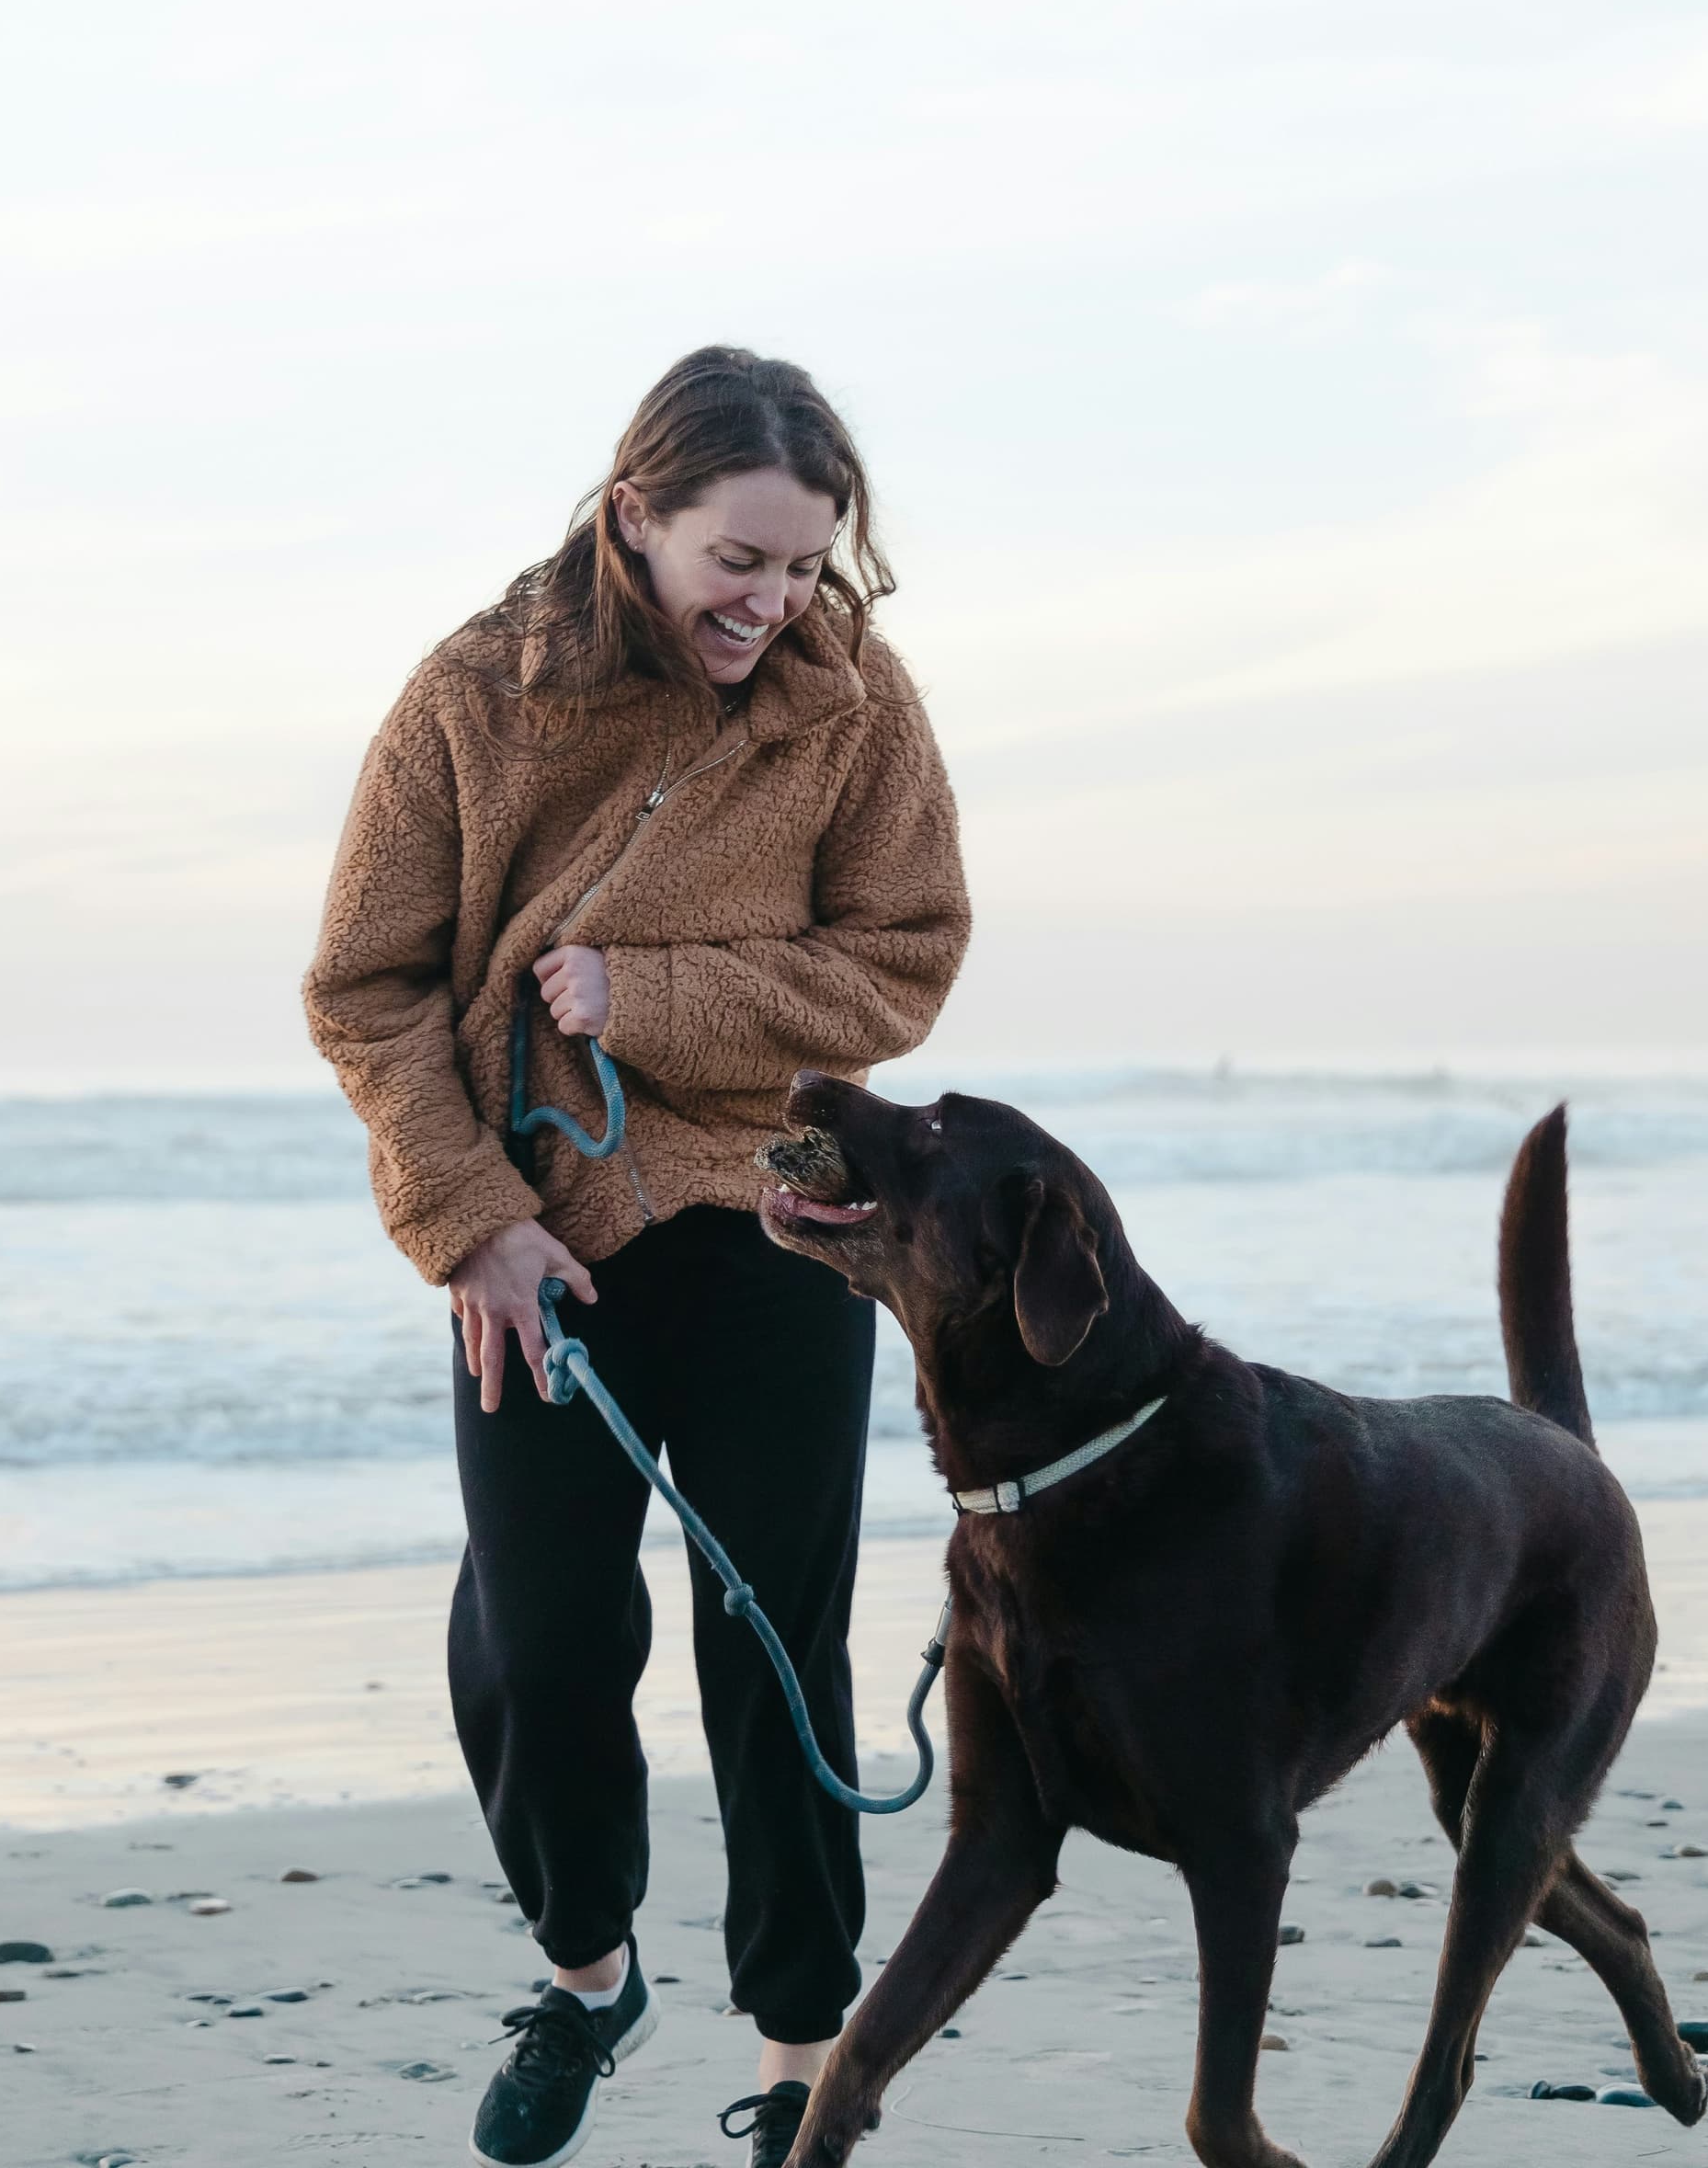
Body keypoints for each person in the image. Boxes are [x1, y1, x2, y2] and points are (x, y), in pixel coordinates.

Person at [304, 347, 970, 2168]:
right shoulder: (472, 694)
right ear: (635, 517)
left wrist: (652, 992)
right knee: (534, 1637)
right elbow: (363, 987)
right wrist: (473, 1221)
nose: (770, 600)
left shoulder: (854, 702)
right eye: (738, 557)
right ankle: (591, 1976)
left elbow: (902, 959)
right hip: (536, 1246)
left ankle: (797, 2062)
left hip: (780, 1222)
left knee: (777, 1645)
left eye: (804, 563)